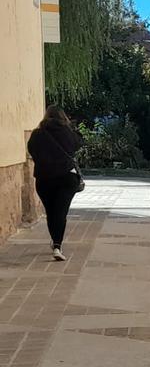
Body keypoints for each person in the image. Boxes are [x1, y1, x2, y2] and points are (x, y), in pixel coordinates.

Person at [27, 105, 82, 261]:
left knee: (51, 212)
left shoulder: (37, 134)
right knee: (61, 212)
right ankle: (57, 245)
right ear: (62, 117)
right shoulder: (68, 133)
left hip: (44, 179)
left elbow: (31, 150)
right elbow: (78, 143)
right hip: (66, 179)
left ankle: (56, 243)